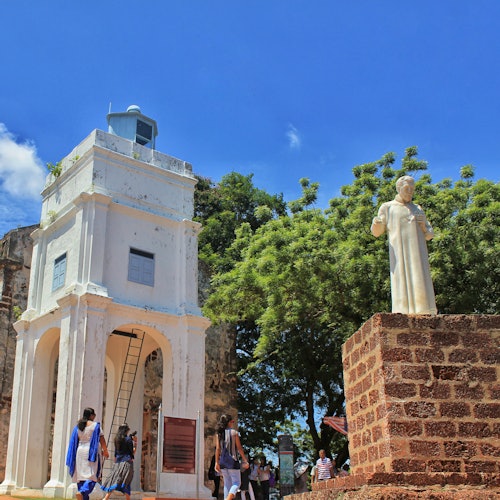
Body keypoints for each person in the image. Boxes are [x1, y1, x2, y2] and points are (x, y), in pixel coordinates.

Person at [371, 175, 437, 315]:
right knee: (401, 280)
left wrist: (423, 227)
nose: (410, 192)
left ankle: (423, 309)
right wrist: (376, 223)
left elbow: (430, 234)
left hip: (418, 254)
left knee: (420, 279)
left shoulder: (417, 208)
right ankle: (402, 311)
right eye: (407, 189)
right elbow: (377, 232)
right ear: (399, 188)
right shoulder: (388, 207)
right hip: (400, 254)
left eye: (412, 189)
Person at [66, 407, 110, 500]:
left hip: (80, 451)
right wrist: (105, 451)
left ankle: (83, 496)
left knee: (81, 476)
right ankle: (82, 491)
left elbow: (75, 441)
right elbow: (102, 439)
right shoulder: (95, 426)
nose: (94, 416)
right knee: (92, 476)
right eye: (94, 415)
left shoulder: (78, 426)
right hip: (91, 452)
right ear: (91, 415)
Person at [214, 414, 249, 500]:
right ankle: (229, 498)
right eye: (232, 421)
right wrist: (245, 460)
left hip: (222, 461)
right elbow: (239, 448)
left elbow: (218, 449)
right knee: (237, 483)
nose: (233, 423)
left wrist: (216, 462)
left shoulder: (219, 434)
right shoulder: (234, 433)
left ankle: (227, 498)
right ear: (229, 422)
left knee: (227, 484)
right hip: (232, 461)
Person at [101, 423, 137, 500]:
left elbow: (116, 452)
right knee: (126, 482)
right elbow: (132, 453)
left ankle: (106, 498)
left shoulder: (116, 439)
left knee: (115, 480)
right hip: (127, 463)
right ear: (126, 430)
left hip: (118, 462)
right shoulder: (128, 440)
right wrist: (135, 443)